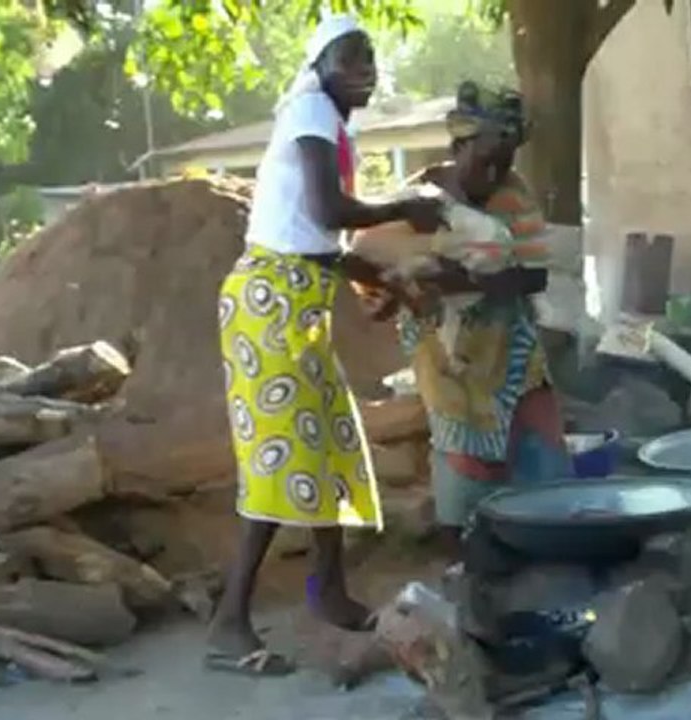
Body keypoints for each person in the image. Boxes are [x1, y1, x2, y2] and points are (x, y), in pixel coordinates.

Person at [206, 14, 444, 676]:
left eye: (369, 57)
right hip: (270, 305)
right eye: (348, 58)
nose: (363, 70)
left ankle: (330, 590)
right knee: (281, 455)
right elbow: (326, 212)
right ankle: (227, 626)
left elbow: (320, 242)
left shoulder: (330, 127)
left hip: (292, 303)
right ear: (318, 68)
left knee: (327, 440)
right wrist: (406, 205)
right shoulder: (311, 110)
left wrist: (383, 281)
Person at [365, 82, 571, 554]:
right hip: (447, 361)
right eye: (486, 160)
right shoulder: (418, 201)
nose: (496, 173)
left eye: (506, 161)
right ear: (458, 144)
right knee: (466, 460)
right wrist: (401, 288)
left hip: (512, 348)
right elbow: (375, 277)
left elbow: (534, 276)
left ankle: (548, 550)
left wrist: (455, 277)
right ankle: (466, 562)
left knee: (543, 452)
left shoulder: (514, 194)